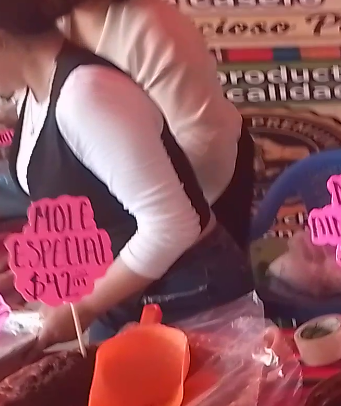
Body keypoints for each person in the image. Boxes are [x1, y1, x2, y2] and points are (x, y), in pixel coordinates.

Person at [0, 2, 253, 349]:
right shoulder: (34, 94)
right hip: (127, 293)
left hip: (185, 292)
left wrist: (84, 307)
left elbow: (173, 225)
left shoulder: (85, 96)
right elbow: (92, 201)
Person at [56, 0, 255, 250]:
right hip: (126, 191)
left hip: (201, 186)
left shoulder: (155, 29)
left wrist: (117, 206)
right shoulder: (54, 19)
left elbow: (202, 146)